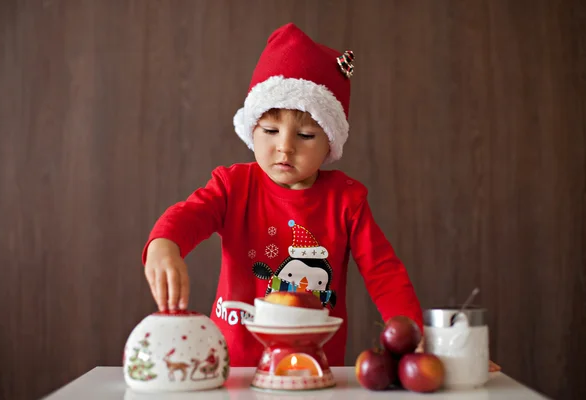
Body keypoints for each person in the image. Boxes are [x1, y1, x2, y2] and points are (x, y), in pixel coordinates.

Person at [142, 22, 424, 368]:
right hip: (235, 371)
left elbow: (385, 274)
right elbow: (188, 216)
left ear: (330, 145)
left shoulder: (345, 200)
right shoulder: (233, 186)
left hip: (315, 369)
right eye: (271, 130)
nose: (285, 147)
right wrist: (164, 244)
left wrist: (414, 339)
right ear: (251, 129)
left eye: (305, 135)